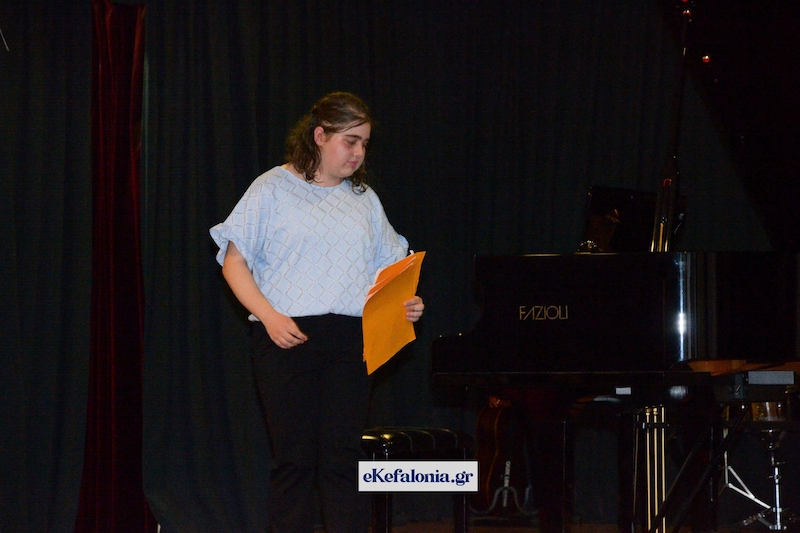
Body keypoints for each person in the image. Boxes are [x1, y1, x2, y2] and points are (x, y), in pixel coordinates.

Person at [209, 91, 424, 533]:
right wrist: (270, 317)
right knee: (295, 459)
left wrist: (408, 302)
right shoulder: (271, 187)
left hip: (351, 343)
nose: (359, 153)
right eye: (350, 141)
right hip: (286, 338)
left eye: (365, 143)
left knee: (343, 458)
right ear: (320, 136)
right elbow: (234, 262)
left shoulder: (364, 199)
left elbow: (391, 268)